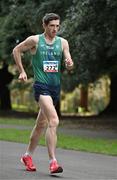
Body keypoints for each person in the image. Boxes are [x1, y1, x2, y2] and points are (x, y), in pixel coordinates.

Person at [12, 13, 74, 174]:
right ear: (44, 25)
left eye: (57, 26)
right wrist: (22, 71)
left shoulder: (63, 43)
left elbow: (69, 63)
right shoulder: (35, 41)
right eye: (52, 25)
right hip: (41, 86)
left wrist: (69, 63)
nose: (55, 29)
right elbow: (16, 50)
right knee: (54, 120)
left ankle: (27, 156)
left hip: (55, 88)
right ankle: (53, 162)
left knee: (41, 124)